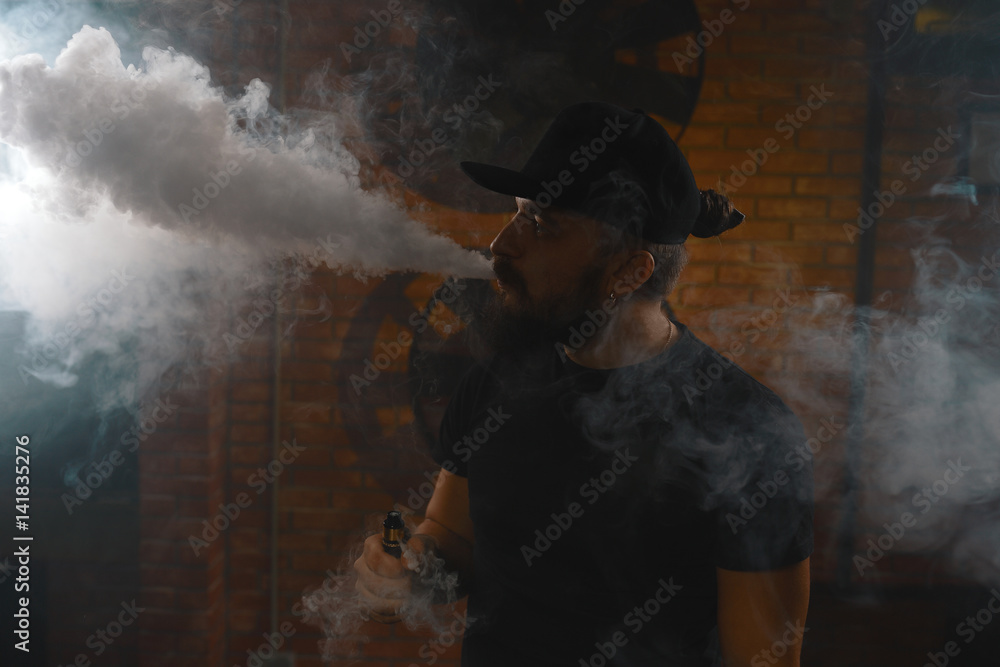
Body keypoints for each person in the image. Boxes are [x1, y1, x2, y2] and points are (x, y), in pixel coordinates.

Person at [354, 101, 813, 666]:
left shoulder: (748, 429)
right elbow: (453, 538)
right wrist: (409, 570)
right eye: (518, 214)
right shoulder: (493, 383)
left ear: (630, 271)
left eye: (541, 224)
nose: (501, 245)